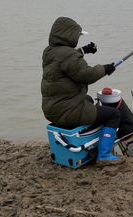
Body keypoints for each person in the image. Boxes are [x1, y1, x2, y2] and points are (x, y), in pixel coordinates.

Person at [41, 17, 125, 166]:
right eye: (77, 36)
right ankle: (104, 156)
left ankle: (85, 136)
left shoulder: (49, 52)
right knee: (113, 115)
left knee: (88, 100)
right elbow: (86, 75)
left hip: (51, 109)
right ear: (69, 35)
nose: (77, 39)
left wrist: (84, 50)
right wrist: (105, 69)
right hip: (67, 111)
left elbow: (65, 62)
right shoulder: (69, 55)